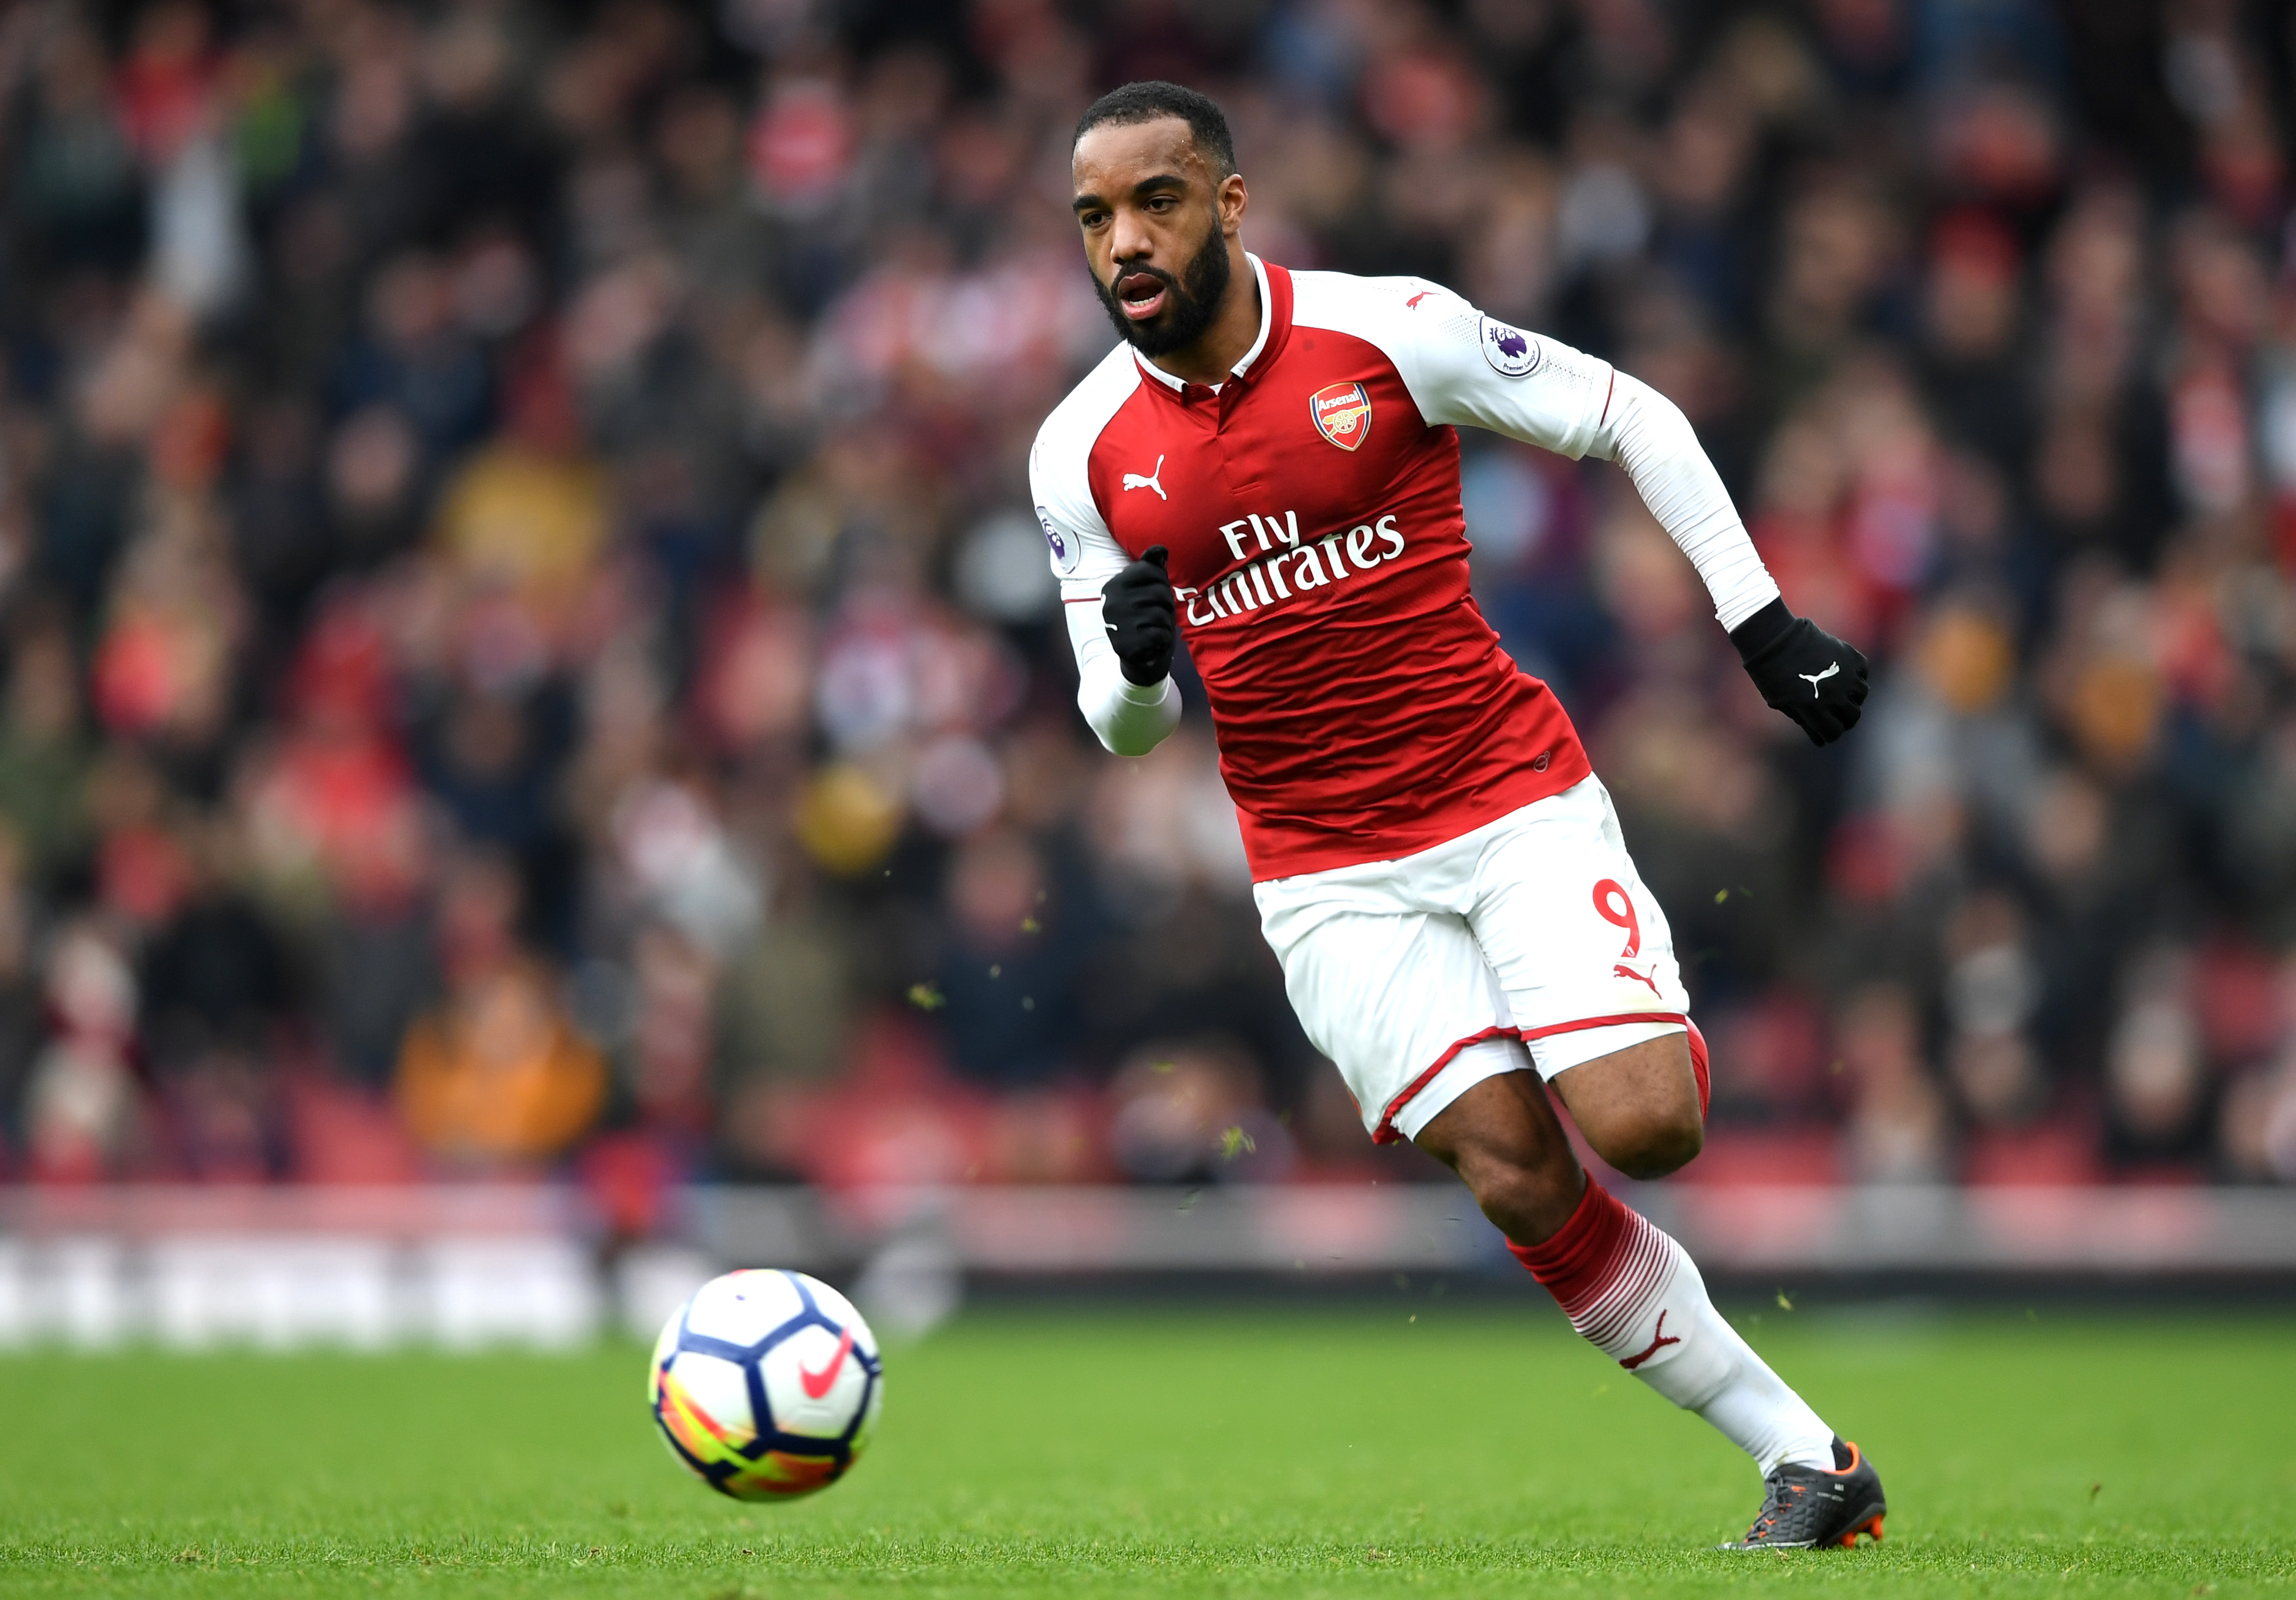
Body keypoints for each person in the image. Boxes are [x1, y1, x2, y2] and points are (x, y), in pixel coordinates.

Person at [1033, 81, 1882, 1551]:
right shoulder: (1078, 452)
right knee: (1515, 1168)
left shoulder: (1389, 330)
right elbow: (1126, 727)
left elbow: (1633, 413)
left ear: (1229, 205)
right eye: (1095, 219)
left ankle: (1591, 1023)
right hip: (1322, 875)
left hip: (1504, 796)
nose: (1125, 243)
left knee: (1647, 1124)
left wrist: (1761, 624)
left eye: (1155, 202)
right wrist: (1136, 662)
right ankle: (1809, 1459)